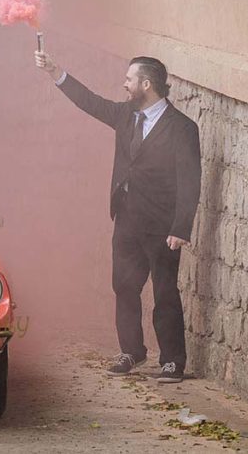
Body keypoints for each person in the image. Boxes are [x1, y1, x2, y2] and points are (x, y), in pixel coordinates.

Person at [35, 50, 200, 383]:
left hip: (162, 226)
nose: (124, 85)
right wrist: (55, 71)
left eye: (129, 80)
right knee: (124, 287)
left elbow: (190, 180)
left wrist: (181, 227)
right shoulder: (126, 115)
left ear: (146, 84)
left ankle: (172, 360)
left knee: (165, 291)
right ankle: (132, 351)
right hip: (126, 220)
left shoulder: (182, 128)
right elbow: (90, 102)